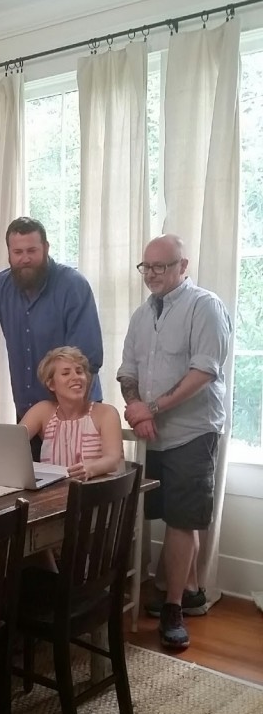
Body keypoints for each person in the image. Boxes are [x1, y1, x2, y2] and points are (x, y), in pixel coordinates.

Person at [117, 234, 232, 651]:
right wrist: (135, 407)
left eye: (161, 266)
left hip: (191, 431)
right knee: (162, 513)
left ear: (183, 266)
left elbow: (204, 371)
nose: (151, 274)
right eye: (146, 267)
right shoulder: (140, 315)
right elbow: (127, 371)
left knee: (182, 519)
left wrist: (152, 408)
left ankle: (173, 608)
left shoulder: (205, 306)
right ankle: (192, 591)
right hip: (152, 435)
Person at [0, 217, 104, 447]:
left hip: (74, 414)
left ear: (46, 248)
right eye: (18, 252)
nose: (25, 259)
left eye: (32, 251)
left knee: (72, 472)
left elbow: (86, 359)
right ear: (9, 254)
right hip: (28, 416)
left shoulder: (73, 286)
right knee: (23, 471)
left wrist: (60, 415)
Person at [20, 347, 123, 481]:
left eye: (79, 372)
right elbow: (11, 441)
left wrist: (90, 469)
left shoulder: (106, 413)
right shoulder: (43, 411)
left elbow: (113, 460)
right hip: (54, 492)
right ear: (51, 384)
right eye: (66, 373)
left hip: (97, 491)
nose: (76, 377)